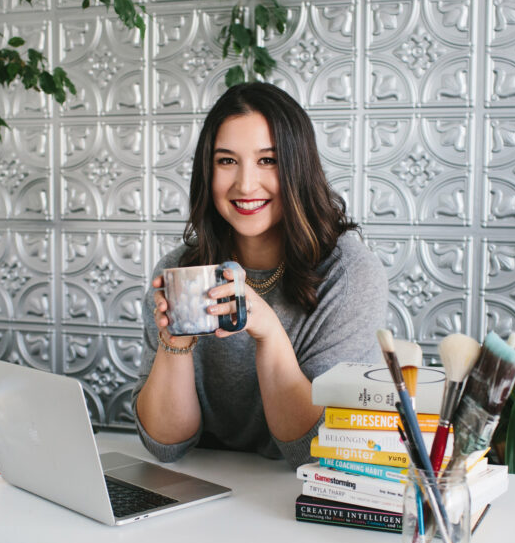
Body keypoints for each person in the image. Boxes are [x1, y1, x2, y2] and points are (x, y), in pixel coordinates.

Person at [132, 82, 389, 469]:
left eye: (267, 160)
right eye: (226, 161)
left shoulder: (349, 276)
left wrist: (269, 334)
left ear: (297, 167)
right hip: (205, 495)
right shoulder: (183, 272)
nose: (245, 184)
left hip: (304, 498)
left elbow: (316, 449)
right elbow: (166, 446)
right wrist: (175, 345)